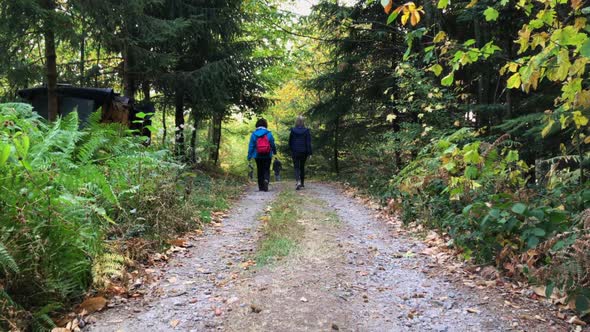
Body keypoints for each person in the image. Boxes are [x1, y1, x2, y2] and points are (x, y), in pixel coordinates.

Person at [247, 118, 277, 191]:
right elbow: (272, 143)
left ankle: (261, 187)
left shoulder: (254, 134)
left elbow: (251, 146)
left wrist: (249, 156)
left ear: (257, 125)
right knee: (266, 169)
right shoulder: (269, 133)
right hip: (267, 154)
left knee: (259, 170)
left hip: (257, 155)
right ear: (265, 125)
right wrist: (274, 151)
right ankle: (266, 180)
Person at [289, 116, 312, 190]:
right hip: (303, 151)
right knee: (302, 167)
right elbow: (308, 143)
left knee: (296, 167)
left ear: (296, 122)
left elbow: (290, 141)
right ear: (303, 122)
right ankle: (302, 183)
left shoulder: (293, 130)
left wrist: (291, 149)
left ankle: (298, 181)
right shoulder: (306, 131)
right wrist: (310, 153)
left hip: (295, 151)